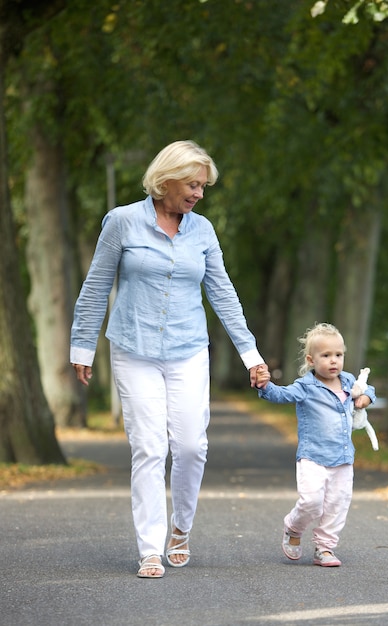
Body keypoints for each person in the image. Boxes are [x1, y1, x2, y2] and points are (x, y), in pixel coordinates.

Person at [71, 140, 267, 578]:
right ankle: (150, 549)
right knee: (149, 446)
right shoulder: (122, 222)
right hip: (133, 347)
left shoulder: (203, 231)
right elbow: (96, 285)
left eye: (203, 187)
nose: (198, 194)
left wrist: (250, 354)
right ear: (166, 179)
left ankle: (181, 527)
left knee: (192, 445)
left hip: (187, 350)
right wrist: (82, 346)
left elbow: (223, 293)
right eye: (193, 184)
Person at [254, 322, 375, 567]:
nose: (334, 361)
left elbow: (368, 388)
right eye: (326, 355)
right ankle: (293, 527)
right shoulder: (306, 387)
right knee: (311, 502)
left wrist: (365, 397)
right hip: (313, 456)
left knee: (337, 504)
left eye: (338, 355)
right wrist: (264, 385)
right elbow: (281, 394)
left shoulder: (348, 380)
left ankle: (325, 548)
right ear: (311, 360)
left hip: (342, 457)